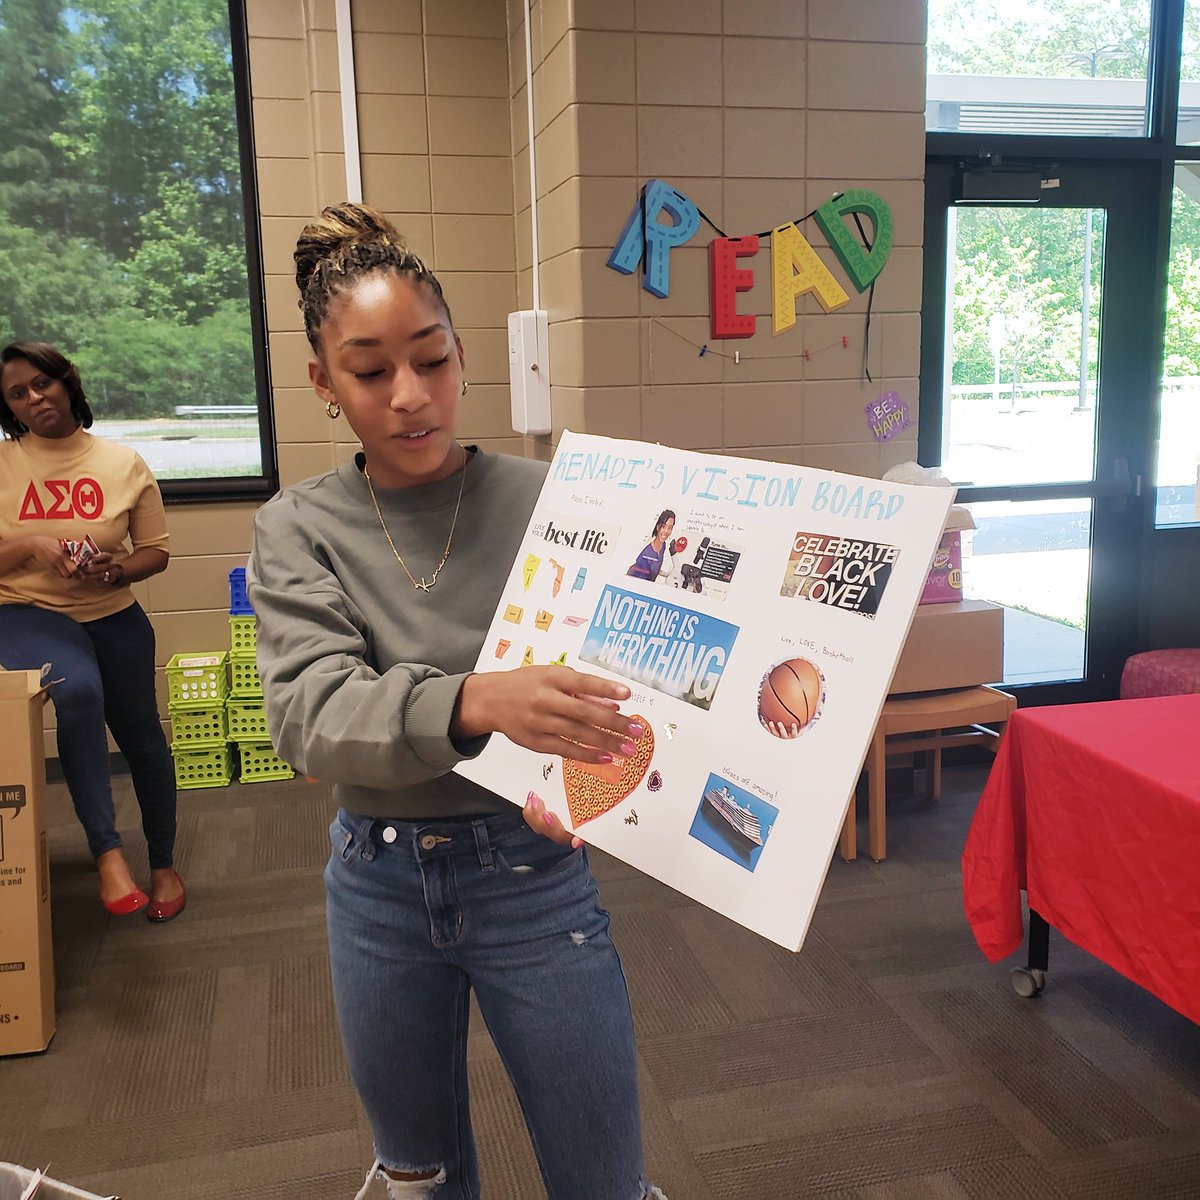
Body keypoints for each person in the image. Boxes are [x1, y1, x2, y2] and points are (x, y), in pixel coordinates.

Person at [247, 204, 665, 1200]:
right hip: (379, 887)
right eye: (370, 370)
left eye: (431, 360)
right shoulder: (298, 528)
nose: (410, 396)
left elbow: (636, 677)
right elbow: (310, 716)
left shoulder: (558, 499)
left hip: (533, 874)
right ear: (323, 383)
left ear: (464, 357)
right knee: (420, 1175)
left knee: (603, 1177)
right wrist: (475, 701)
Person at [0, 341, 185, 921]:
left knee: (145, 741)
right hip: (27, 612)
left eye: (40, 383)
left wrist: (116, 569)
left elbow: (154, 553)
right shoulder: (3, 465)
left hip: (112, 614)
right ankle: (107, 853)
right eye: (17, 394)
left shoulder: (122, 463)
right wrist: (30, 544)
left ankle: (162, 863)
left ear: (65, 382)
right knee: (79, 693)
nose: (34, 398)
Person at [626, 509, 675, 581]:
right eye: (663, 527)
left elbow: (654, 568)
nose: (666, 531)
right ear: (658, 527)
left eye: (670, 528)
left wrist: (667, 574)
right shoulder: (648, 552)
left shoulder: (663, 545)